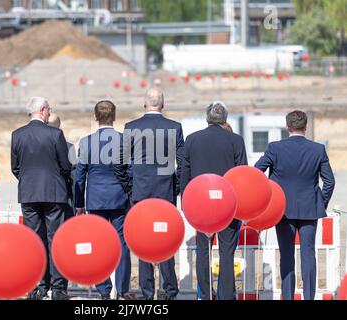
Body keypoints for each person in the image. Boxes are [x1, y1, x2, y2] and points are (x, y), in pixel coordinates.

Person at [255, 110, 335, 300]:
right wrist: (319, 203)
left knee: (286, 255)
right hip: (309, 209)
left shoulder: (275, 148)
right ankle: (309, 297)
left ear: (287, 127)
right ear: (305, 127)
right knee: (309, 255)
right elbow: (329, 181)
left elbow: (257, 171)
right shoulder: (318, 149)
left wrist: (269, 196)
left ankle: (288, 297)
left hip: (282, 210)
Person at [180, 101, 247, 300]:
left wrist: (186, 202)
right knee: (227, 252)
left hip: (201, 203)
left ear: (207, 118)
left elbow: (185, 174)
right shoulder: (236, 140)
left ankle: (206, 294)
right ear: (225, 119)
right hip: (228, 203)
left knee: (203, 251)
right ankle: (227, 295)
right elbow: (241, 174)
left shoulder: (192, 140)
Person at [122, 88, 184, 300]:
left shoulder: (131, 128)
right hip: (165, 192)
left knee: (144, 241)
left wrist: (130, 187)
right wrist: (175, 187)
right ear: (163, 104)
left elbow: (120, 164)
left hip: (140, 193)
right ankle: (170, 289)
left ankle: (147, 292)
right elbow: (182, 164)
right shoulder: (175, 127)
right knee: (166, 240)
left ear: (144, 104)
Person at [11, 97, 72, 300]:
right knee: (55, 240)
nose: (49, 113)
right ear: (43, 110)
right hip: (53, 192)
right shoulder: (55, 134)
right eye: (49, 110)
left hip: (29, 193)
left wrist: (28, 180)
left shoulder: (17, 135)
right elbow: (66, 166)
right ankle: (57, 289)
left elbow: (15, 167)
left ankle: (37, 286)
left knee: (34, 241)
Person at [74, 100, 132, 300]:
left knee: (98, 244)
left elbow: (79, 176)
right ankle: (122, 289)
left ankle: (104, 290)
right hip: (119, 198)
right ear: (114, 117)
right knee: (122, 243)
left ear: (95, 116)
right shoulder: (123, 140)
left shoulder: (86, 142)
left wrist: (79, 203)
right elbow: (129, 172)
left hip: (95, 199)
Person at [47, 112, 76, 219]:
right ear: (59, 126)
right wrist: (77, 202)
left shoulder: (35, 147)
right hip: (63, 198)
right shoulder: (69, 147)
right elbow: (74, 176)